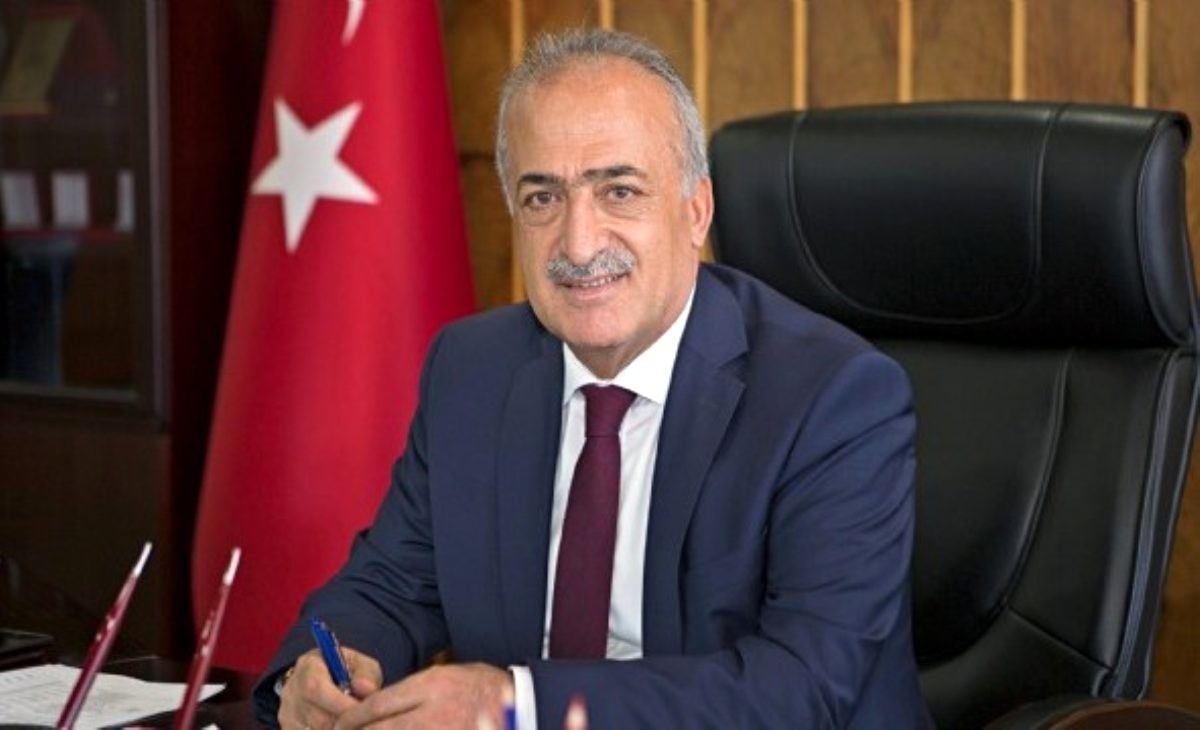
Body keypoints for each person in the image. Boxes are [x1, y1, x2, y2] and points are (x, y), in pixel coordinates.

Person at [253, 28, 931, 729]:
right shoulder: (472, 370)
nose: (578, 244)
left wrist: (517, 704)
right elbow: (390, 584)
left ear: (695, 210)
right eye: (543, 198)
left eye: (619, 191)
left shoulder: (833, 397)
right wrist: (322, 670)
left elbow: (800, 689)